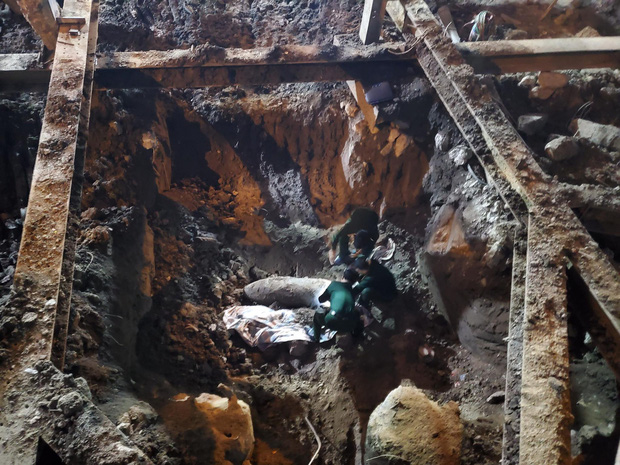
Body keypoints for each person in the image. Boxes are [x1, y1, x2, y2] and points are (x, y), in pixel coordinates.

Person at [313, 269, 363, 342]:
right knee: (357, 314)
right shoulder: (353, 291)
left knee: (317, 314)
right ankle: (356, 337)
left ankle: (316, 339)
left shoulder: (334, 284)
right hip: (349, 326)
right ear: (354, 282)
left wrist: (331, 297)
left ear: (343, 277)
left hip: (331, 322)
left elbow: (321, 299)